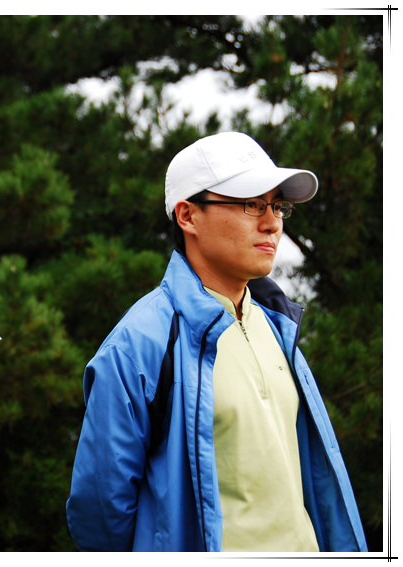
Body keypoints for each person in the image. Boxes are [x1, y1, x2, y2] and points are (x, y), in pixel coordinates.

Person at [65, 131, 367, 552]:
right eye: (251, 204)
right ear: (188, 216)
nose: (272, 222)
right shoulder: (138, 343)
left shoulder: (279, 325)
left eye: (277, 205)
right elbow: (99, 515)